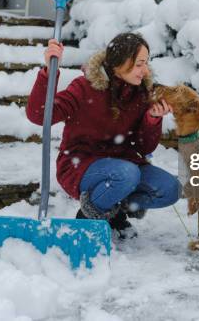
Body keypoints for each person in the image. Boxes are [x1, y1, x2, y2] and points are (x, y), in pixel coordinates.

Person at [26, 32, 180, 239]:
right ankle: (88, 217)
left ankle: (115, 211)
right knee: (127, 174)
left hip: (125, 166)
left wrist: (152, 120)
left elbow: (144, 148)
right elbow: (39, 114)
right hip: (80, 166)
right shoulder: (84, 88)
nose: (145, 70)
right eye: (139, 64)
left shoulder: (140, 94)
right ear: (121, 63)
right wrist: (48, 72)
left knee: (170, 188)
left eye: (146, 63)